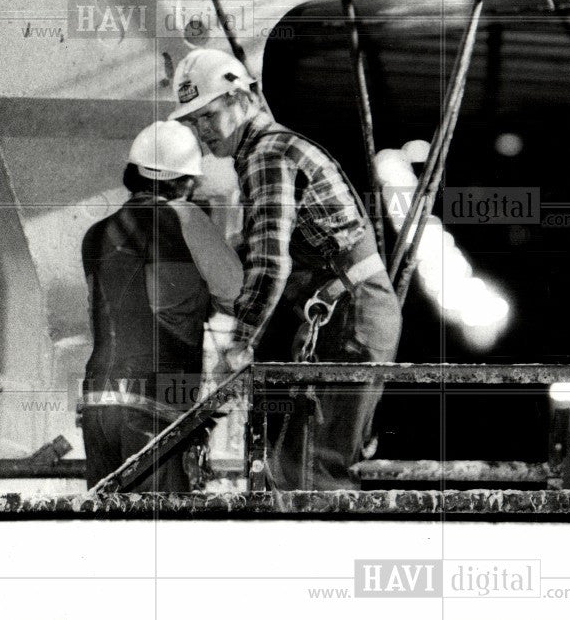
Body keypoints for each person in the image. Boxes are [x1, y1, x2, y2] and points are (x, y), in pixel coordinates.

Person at [169, 48, 401, 490]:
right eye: (192, 121)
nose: (201, 132)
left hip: (347, 319)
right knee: (299, 461)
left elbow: (271, 261)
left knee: (307, 470)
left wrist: (240, 342)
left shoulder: (266, 156)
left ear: (241, 98)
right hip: (351, 313)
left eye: (208, 115)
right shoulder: (272, 151)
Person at [80, 121, 242, 490]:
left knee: (107, 521)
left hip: (98, 401)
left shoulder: (96, 234)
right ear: (183, 181)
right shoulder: (184, 217)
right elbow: (237, 293)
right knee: (158, 530)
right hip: (157, 404)